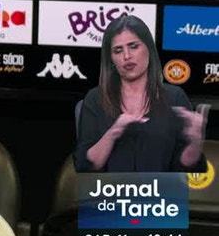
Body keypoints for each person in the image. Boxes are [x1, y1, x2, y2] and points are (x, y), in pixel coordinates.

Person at [74, 15, 206, 173]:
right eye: (118, 50)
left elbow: (187, 170)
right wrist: (113, 132)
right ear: (111, 59)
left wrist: (195, 142)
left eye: (133, 46)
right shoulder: (96, 99)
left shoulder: (174, 97)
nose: (127, 56)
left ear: (149, 49)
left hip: (161, 189)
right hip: (110, 189)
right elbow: (85, 166)